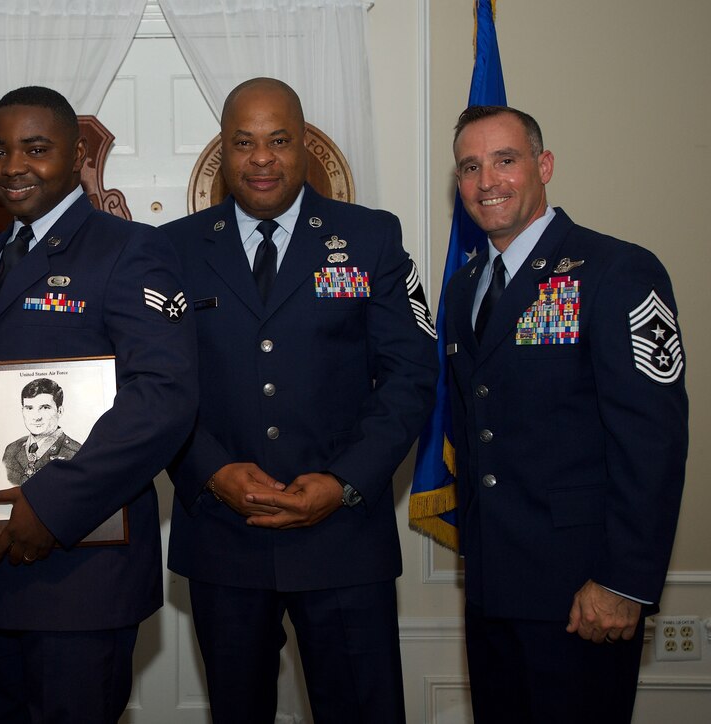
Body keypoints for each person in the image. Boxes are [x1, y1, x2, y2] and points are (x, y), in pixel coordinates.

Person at [163, 77, 438, 723]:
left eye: (279, 140)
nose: (262, 158)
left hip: (343, 537)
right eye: (244, 142)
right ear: (223, 151)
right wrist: (211, 470)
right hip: (224, 537)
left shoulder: (370, 237)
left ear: (304, 145)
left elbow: (410, 375)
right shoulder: (170, 249)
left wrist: (343, 483)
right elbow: (157, 384)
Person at [0, 86, 197, 723]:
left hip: (80, 570)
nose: (12, 166)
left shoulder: (130, 249)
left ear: (78, 153)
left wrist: (52, 504)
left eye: (36, 148)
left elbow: (162, 399)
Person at [445, 105, 688, 723]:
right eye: (470, 167)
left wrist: (622, 581)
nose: (487, 181)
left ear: (543, 165)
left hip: (583, 593)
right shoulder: (464, 285)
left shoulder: (615, 271)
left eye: (505, 160)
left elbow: (652, 440)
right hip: (493, 589)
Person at [1, 378, 82, 487]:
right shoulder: (12, 449)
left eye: (45, 408)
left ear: (60, 411)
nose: (36, 417)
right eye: (29, 408)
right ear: (22, 411)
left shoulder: (77, 454)